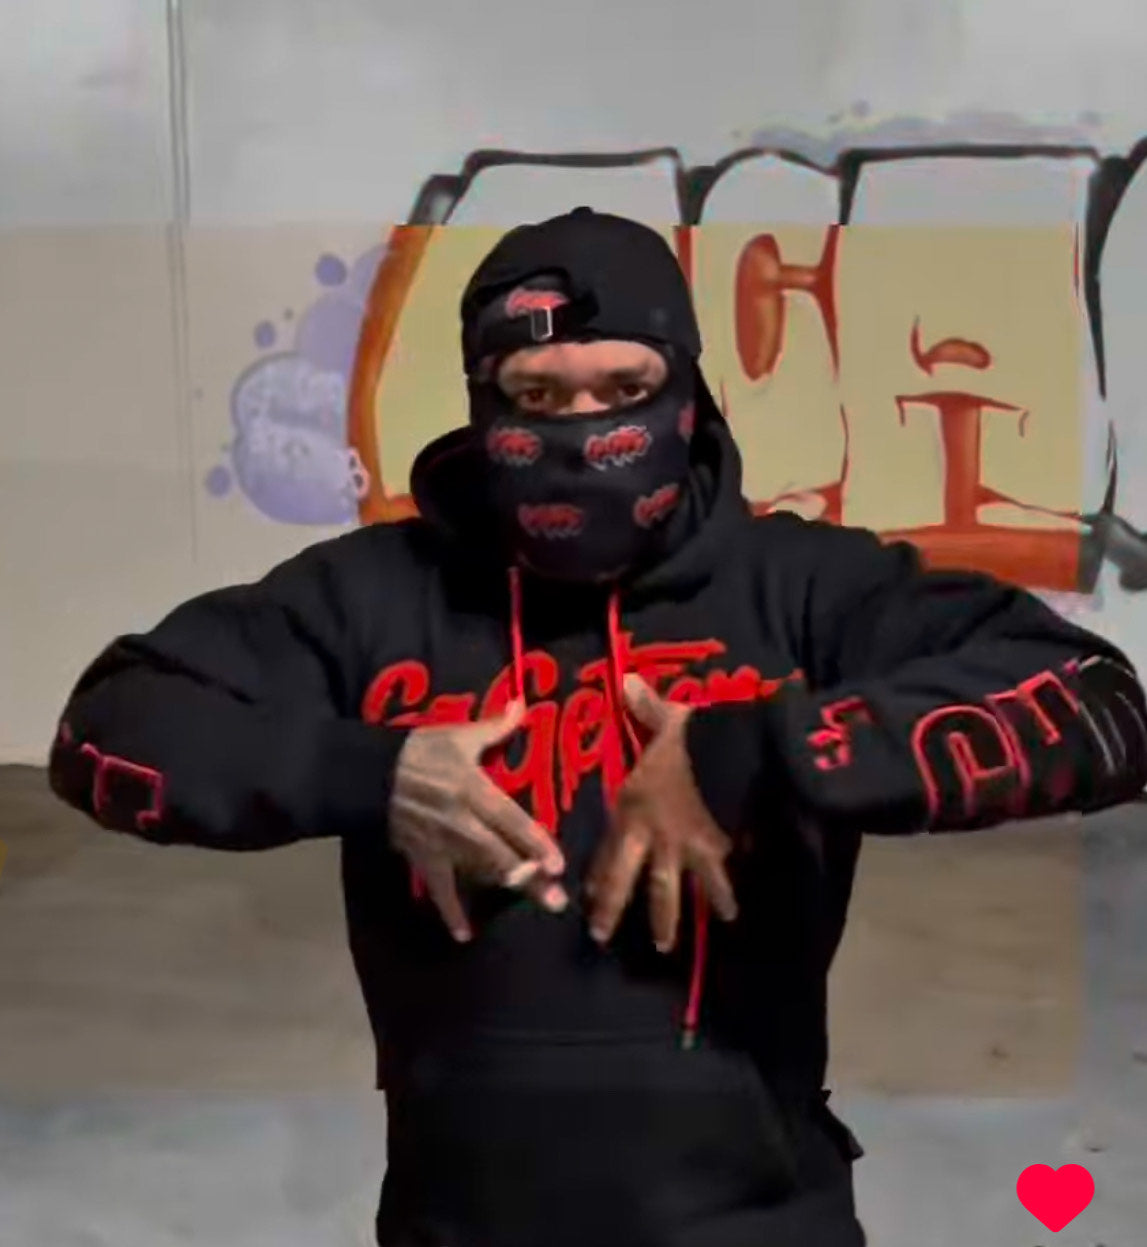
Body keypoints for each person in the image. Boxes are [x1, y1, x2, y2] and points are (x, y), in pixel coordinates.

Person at [49, 207, 1147, 1247]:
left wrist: (750, 752)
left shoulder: (804, 588)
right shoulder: (368, 596)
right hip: (459, 1223)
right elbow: (112, 723)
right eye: (536, 395)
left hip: (761, 1222)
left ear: (688, 395)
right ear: (482, 408)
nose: (582, 433)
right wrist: (369, 771)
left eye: (625, 389)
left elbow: (1093, 698)